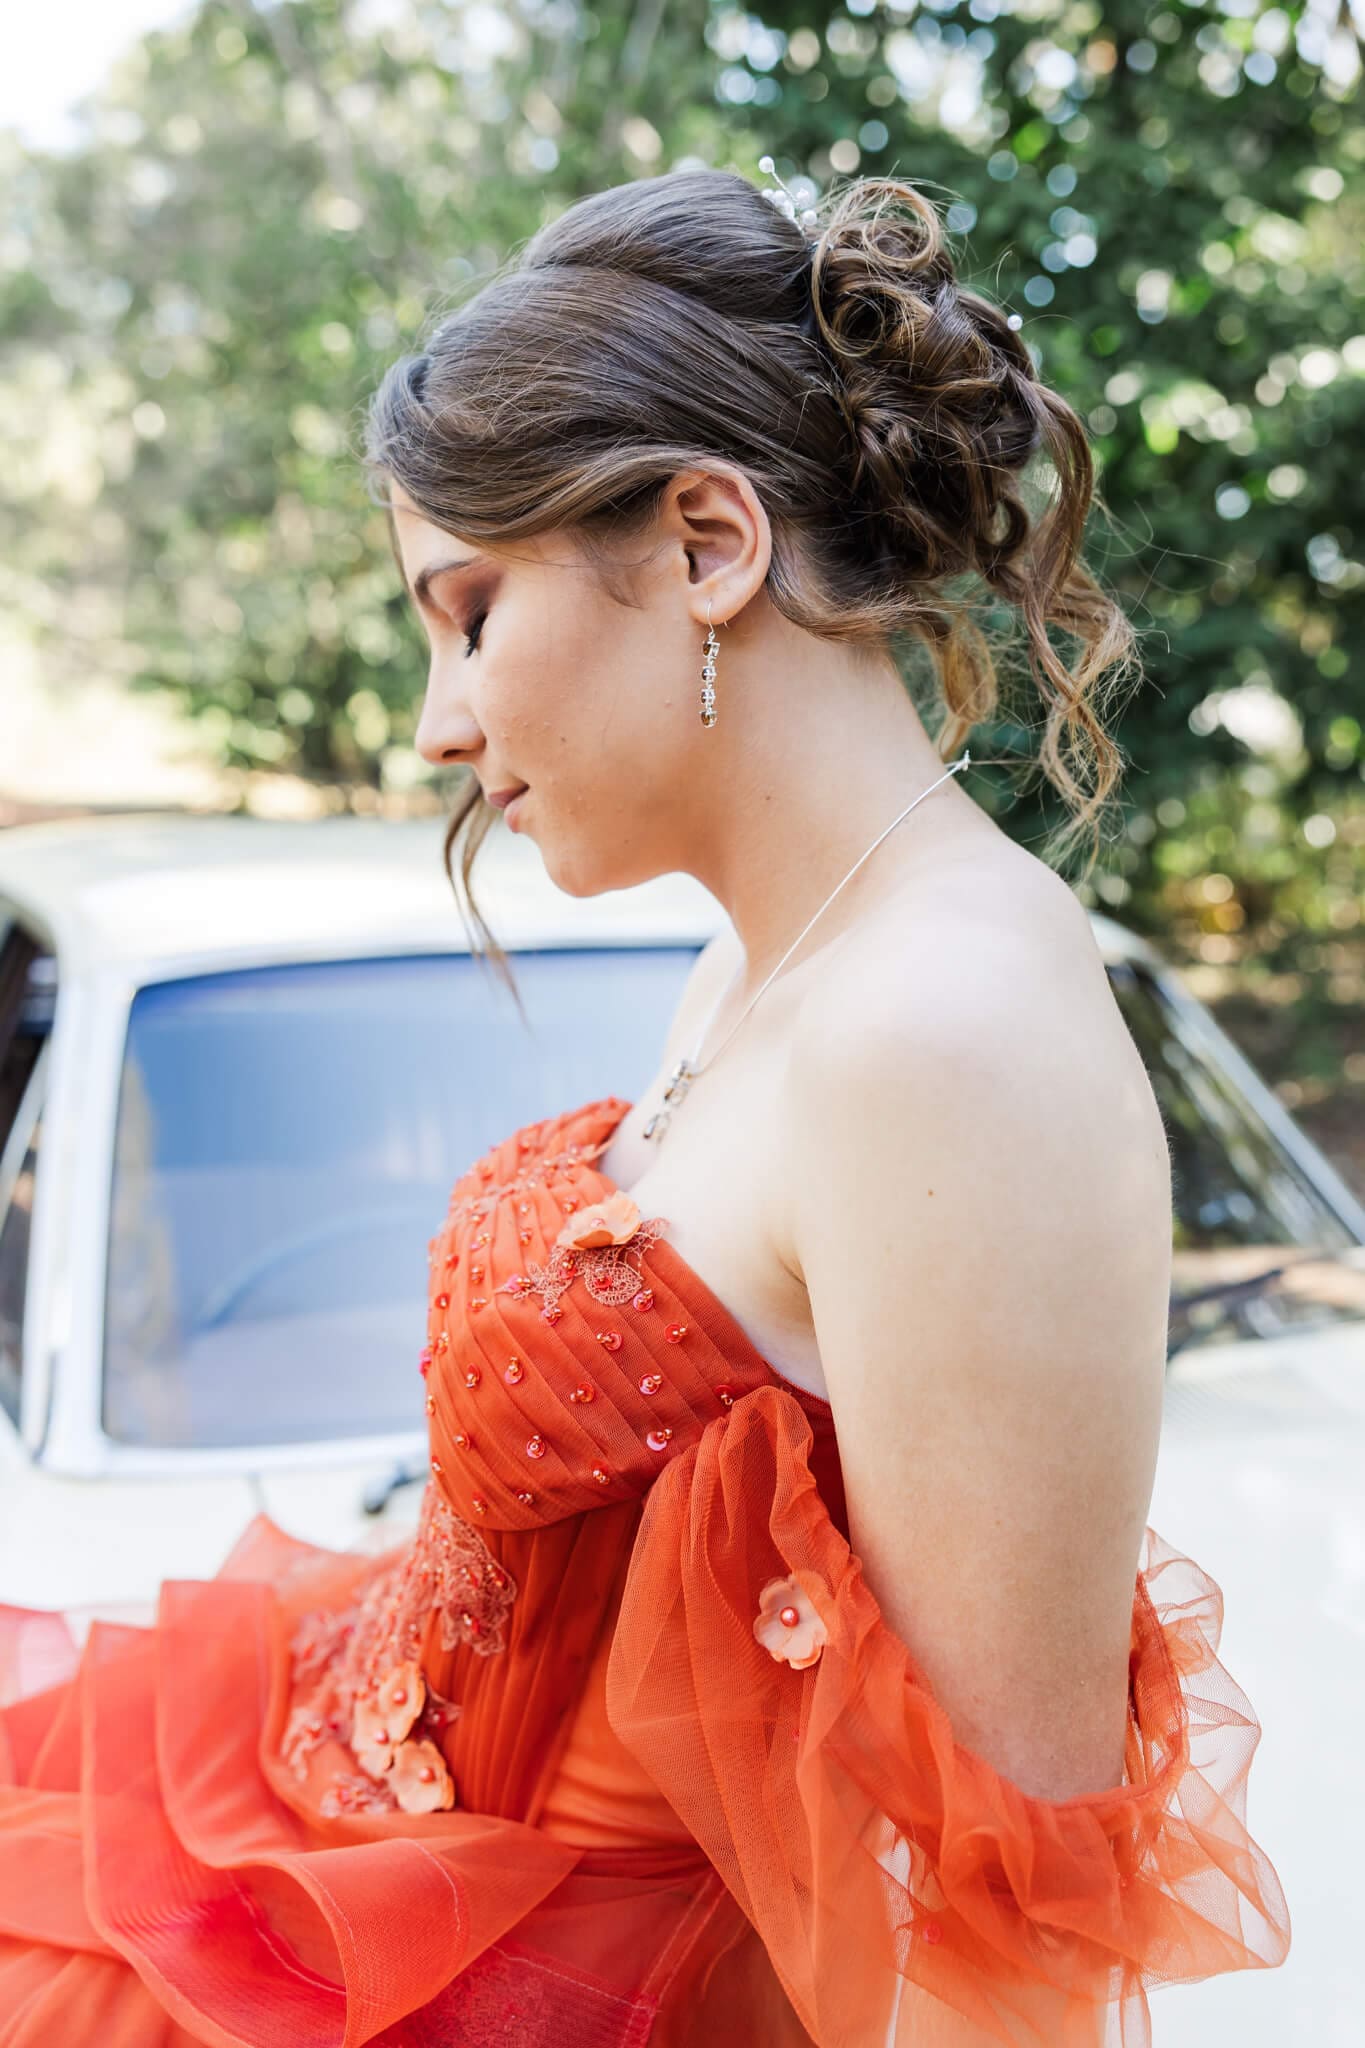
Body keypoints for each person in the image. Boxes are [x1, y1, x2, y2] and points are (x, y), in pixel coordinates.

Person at [0, 166, 1290, 2047]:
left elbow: (1000, 1932)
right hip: (357, 1849)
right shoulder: (766, 958)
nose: (438, 725)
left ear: (704, 543)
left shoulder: (946, 1031)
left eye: (468, 615)